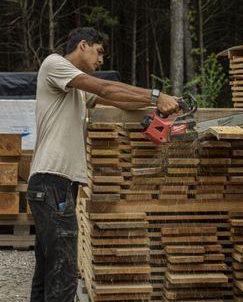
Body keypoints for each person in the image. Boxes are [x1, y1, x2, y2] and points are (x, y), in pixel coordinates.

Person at [27, 27, 179, 302]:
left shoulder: (77, 90)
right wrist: (157, 96)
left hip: (54, 185)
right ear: (82, 45)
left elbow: (114, 97)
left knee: (49, 270)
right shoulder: (54, 64)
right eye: (99, 52)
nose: (101, 61)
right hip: (52, 182)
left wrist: (157, 110)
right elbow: (106, 86)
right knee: (64, 275)